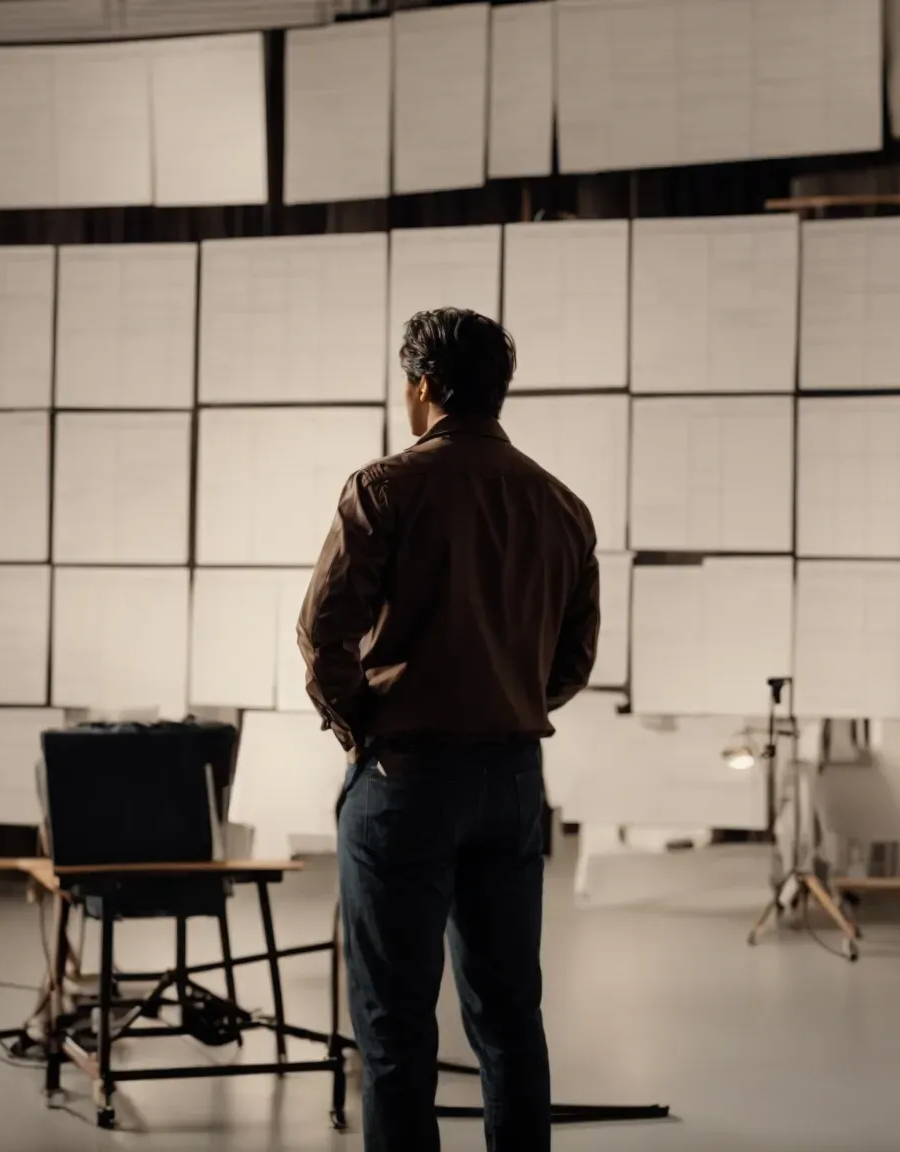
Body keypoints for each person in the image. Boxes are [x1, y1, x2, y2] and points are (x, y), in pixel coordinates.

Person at [299, 307, 598, 1152]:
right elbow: (571, 665)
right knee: (509, 1021)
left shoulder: (384, 488)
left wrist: (365, 725)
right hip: (511, 783)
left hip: (405, 780)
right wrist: (502, 699)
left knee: (395, 1033)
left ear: (423, 386)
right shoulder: (562, 507)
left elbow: (322, 635)